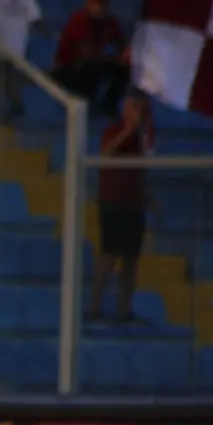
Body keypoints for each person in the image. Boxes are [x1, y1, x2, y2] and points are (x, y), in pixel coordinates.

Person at [89, 91, 155, 323]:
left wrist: (148, 196)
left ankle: (124, 308)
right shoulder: (113, 131)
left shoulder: (144, 138)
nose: (133, 111)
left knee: (131, 257)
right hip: (112, 199)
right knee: (109, 254)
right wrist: (128, 129)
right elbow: (105, 153)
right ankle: (95, 306)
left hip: (133, 201)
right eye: (130, 106)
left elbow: (144, 167)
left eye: (137, 107)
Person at [50, 0, 131, 115]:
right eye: (96, 3)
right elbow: (87, 53)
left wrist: (125, 54)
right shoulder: (79, 19)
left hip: (90, 64)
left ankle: (109, 105)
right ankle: (86, 104)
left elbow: (120, 42)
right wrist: (116, 59)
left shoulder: (109, 21)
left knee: (126, 69)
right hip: (67, 69)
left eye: (103, 4)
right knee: (93, 66)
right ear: (88, 3)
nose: (99, 8)